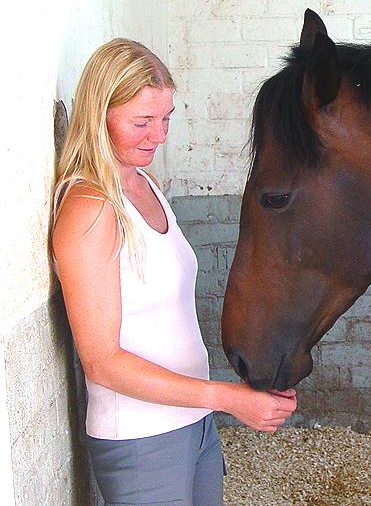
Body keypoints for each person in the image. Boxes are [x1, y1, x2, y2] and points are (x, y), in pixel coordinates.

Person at [51, 38, 297, 505]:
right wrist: (228, 398)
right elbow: (102, 363)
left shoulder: (145, 184)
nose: (159, 136)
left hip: (193, 421)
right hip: (140, 437)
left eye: (166, 118)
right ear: (99, 115)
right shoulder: (90, 207)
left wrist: (238, 395)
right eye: (141, 122)